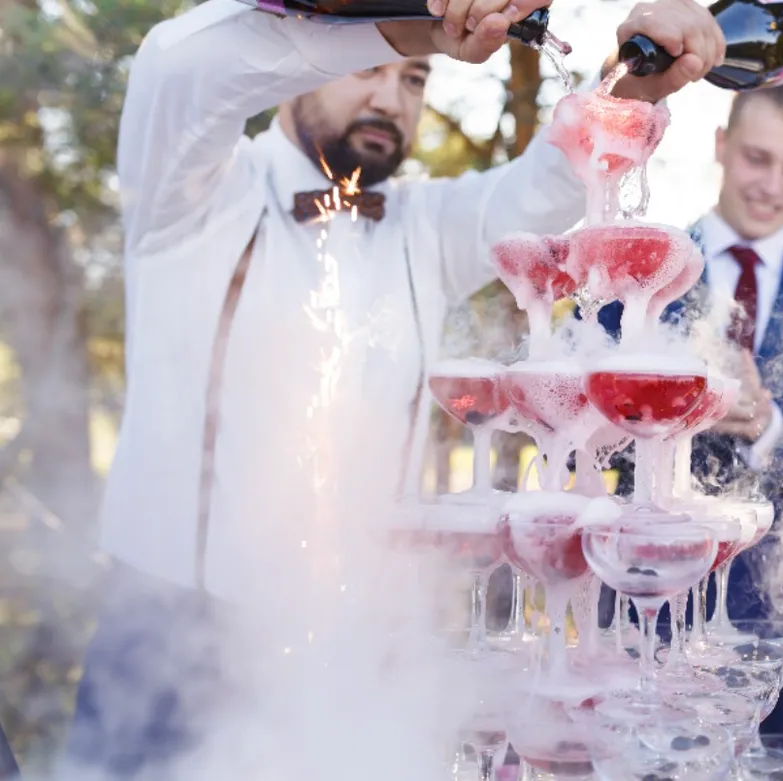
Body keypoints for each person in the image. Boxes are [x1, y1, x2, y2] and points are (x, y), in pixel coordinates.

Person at [62, 1, 725, 777]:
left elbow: (552, 183)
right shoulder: (189, 194)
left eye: (413, 80)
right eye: (368, 68)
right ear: (299, 64)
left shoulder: (423, 226)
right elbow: (179, 64)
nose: (390, 98)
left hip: (348, 650)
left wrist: (639, 82)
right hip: (169, 648)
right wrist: (409, 26)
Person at [595, 77, 783, 743]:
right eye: (757, 158)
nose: (772, 184)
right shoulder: (636, 271)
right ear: (721, 145)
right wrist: (660, 418)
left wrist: (772, 429)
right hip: (643, 607)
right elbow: (581, 417)